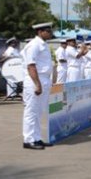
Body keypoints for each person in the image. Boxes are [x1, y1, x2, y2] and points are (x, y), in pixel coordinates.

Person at [22, 22, 55, 150]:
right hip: (34, 80)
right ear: (40, 32)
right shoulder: (33, 45)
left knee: (40, 111)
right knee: (31, 111)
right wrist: (37, 84)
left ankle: (37, 138)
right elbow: (31, 66)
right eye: (47, 31)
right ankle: (28, 140)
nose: (50, 33)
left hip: (44, 79)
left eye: (50, 31)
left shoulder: (43, 44)